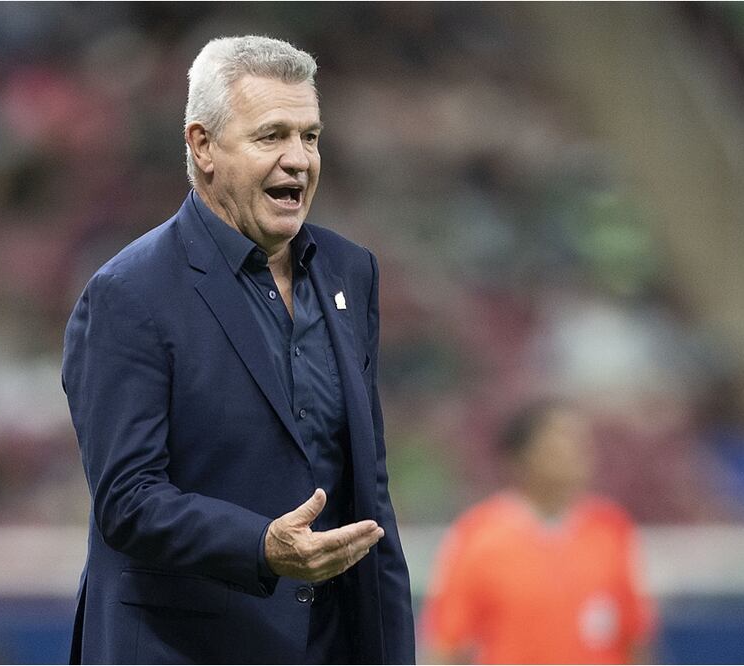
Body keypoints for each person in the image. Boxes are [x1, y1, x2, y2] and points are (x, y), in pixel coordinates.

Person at [62, 35, 414, 664]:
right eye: (271, 135)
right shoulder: (129, 292)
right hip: (187, 647)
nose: (298, 159)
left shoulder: (348, 271)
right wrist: (260, 546)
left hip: (329, 647)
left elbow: (369, 488)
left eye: (310, 136)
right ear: (202, 146)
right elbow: (127, 498)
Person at [421, 400, 656, 664]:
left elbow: (635, 636)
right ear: (520, 457)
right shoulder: (479, 535)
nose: (574, 453)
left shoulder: (611, 528)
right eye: (559, 442)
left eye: (580, 442)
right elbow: (448, 643)